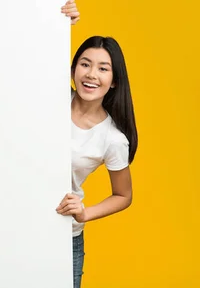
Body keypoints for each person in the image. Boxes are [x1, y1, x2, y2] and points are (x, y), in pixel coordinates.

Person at [55, 32, 138, 287]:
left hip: (62, 235)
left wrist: (84, 213)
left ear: (113, 81)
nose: (91, 74)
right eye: (85, 64)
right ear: (73, 70)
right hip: (14, 220)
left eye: (103, 68)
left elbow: (123, 196)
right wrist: (59, 18)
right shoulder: (50, 98)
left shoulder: (112, 139)